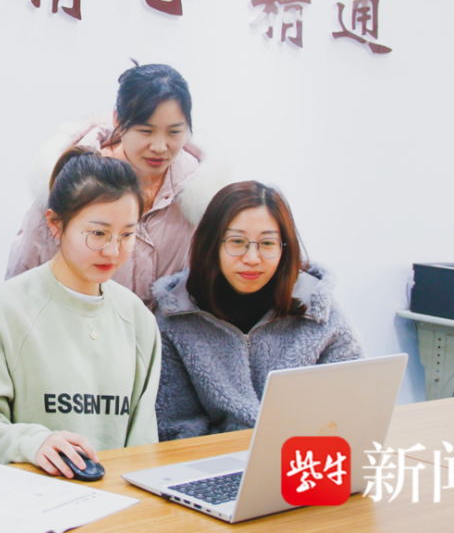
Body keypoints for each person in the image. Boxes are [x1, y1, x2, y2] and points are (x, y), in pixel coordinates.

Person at [0, 148, 161, 478]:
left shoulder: (139, 320)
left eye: (127, 234)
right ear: (56, 224)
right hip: (31, 507)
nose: (113, 250)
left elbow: (143, 444)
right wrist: (31, 443)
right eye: (97, 233)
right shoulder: (5, 311)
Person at [152, 181, 364, 441]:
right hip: (213, 463)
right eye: (237, 241)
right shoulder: (177, 317)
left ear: (283, 248)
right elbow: (175, 427)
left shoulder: (319, 311)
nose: (252, 258)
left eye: (267, 243)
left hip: (302, 458)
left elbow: (350, 408)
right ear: (211, 244)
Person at [6, 62, 225, 307]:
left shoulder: (201, 196)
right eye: (146, 131)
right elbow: (21, 285)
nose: (160, 147)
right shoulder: (71, 183)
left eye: (174, 132)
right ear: (118, 121)